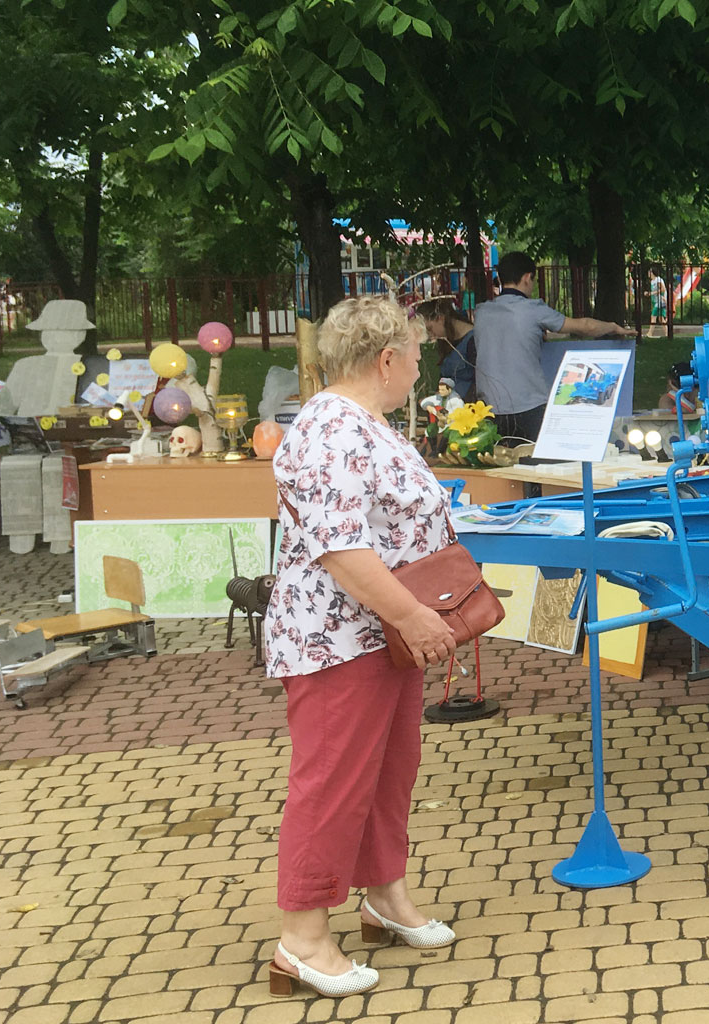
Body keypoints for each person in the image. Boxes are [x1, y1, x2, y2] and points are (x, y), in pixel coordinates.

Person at [262, 296, 459, 1000]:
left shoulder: (362, 422)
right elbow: (342, 549)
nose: (418, 369)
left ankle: (385, 896)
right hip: (339, 641)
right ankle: (302, 937)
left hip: (379, 636)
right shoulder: (331, 430)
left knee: (386, 773)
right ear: (386, 359)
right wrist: (413, 616)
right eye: (416, 356)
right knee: (333, 784)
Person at [473, 251, 635, 443]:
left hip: (489, 409)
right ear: (527, 278)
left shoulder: (481, 312)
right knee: (535, 457)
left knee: (495, 459)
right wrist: (614, 327)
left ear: (500, 278)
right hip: (529, 407)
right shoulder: (533, 309)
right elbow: (585, 326)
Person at [414, 297, 477, 401]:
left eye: (430, 329)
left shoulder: (473, 341)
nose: (430, 335)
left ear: (440, 318)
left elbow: (478, 384)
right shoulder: (445, 340)